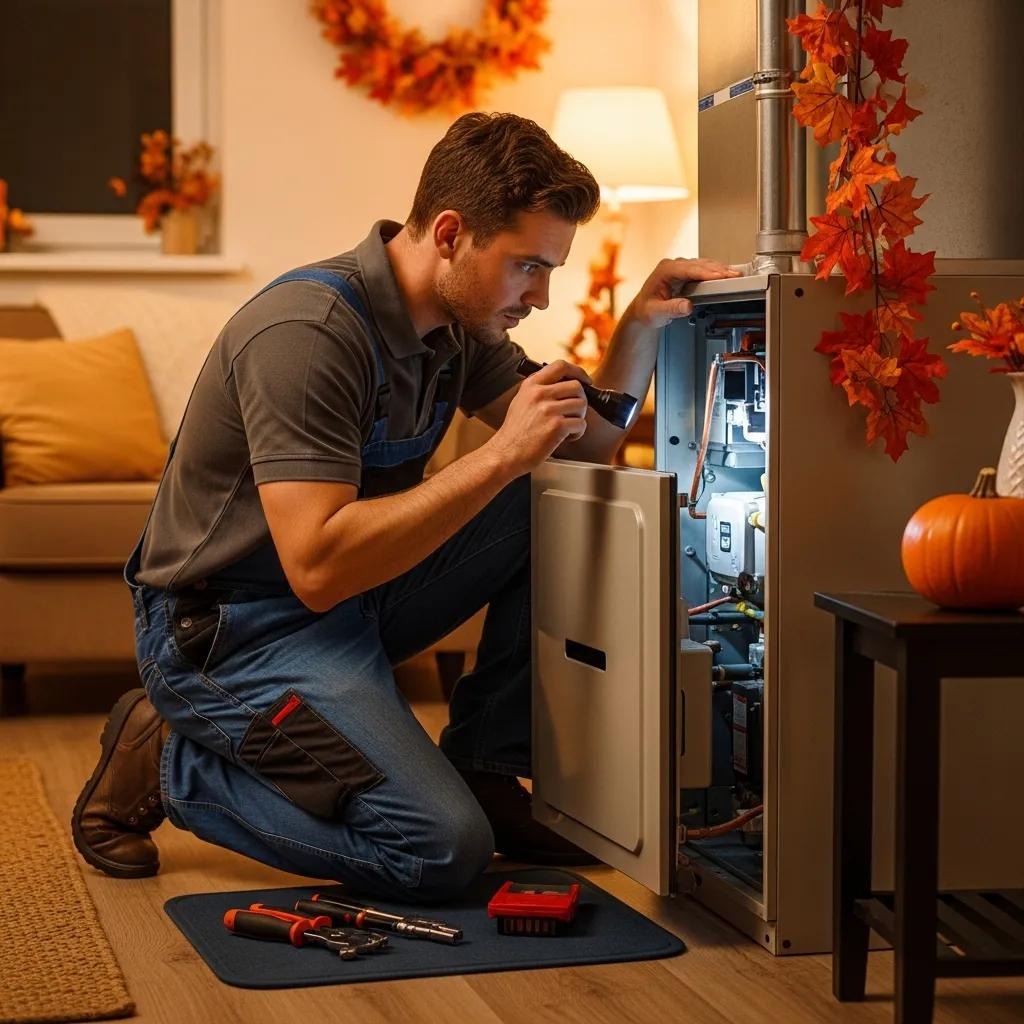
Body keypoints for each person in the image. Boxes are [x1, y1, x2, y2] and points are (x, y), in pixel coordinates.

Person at [71, 111, 739, 900]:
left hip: (347, 605)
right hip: (230, 632)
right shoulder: (309, 333)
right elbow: (317, 566)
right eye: (527, 266)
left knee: (554, 495)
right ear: (451, 233)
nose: (542, 295)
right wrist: (497, 457)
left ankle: (487, 767)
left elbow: (584, 446)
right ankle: (172, 758)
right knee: (440, 851)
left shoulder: (457, 329)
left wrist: (639, 323)